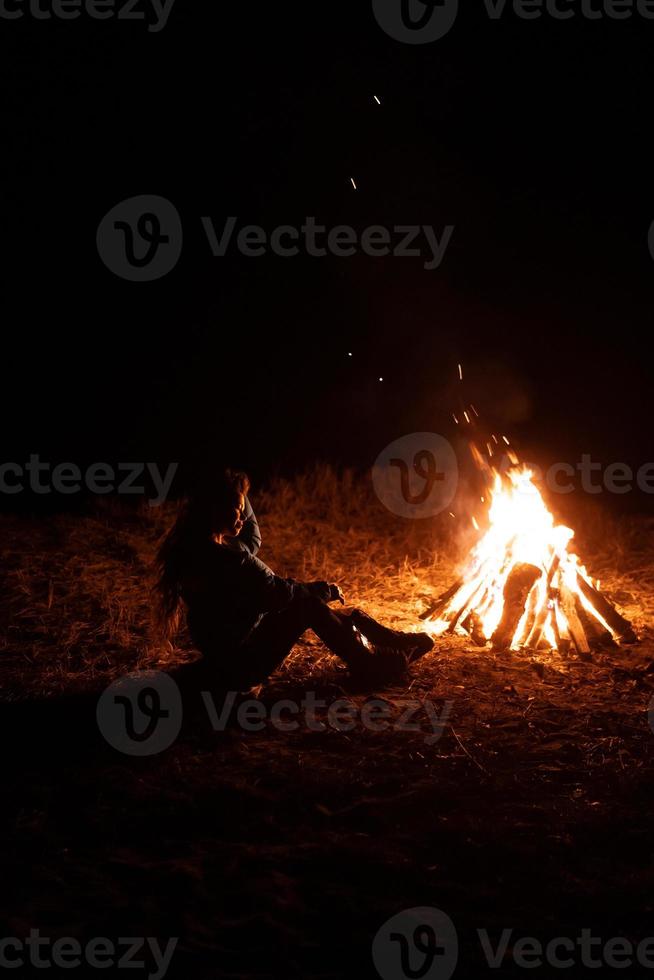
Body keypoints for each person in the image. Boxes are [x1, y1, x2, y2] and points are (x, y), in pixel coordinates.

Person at [155, 469, 434, 692]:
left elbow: (250, 536)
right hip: (241, 666)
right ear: (216, 510)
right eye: (236, 511)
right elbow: (281, 594)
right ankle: (372, 666)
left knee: (318, 605)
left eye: (241, 510)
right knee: (308, 606)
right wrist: (321, 590)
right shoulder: (233, 560)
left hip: (223, 659)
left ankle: (392, 641)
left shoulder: (199, 549)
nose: (241, 518)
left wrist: (236, 487)